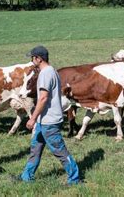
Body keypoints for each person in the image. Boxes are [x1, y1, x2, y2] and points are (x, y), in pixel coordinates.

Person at [14, 45, 80, 185]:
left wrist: (31, 118)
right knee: (35, 149)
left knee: (60, 151)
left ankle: (75, 179)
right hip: (42, 120)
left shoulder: (45, 74)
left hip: (49, 121)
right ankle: (26, 177)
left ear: (39, 58)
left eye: (33, 57)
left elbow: (43, 98)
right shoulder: (52, 70)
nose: (32, 60)